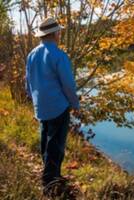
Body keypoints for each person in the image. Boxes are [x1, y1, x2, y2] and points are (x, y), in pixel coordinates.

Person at [25, 18, 80, 194]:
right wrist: (75, 104)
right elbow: (68, 85)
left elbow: (28, 83)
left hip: (41, 107)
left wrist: (34, 101)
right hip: (58, 107)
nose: (60, 34)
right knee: (56, 145)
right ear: (55, 34)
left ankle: (52, 174)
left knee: (46, 143)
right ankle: (49, 185)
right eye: (59, 32)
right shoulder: (59, 56)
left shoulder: (32, 54)